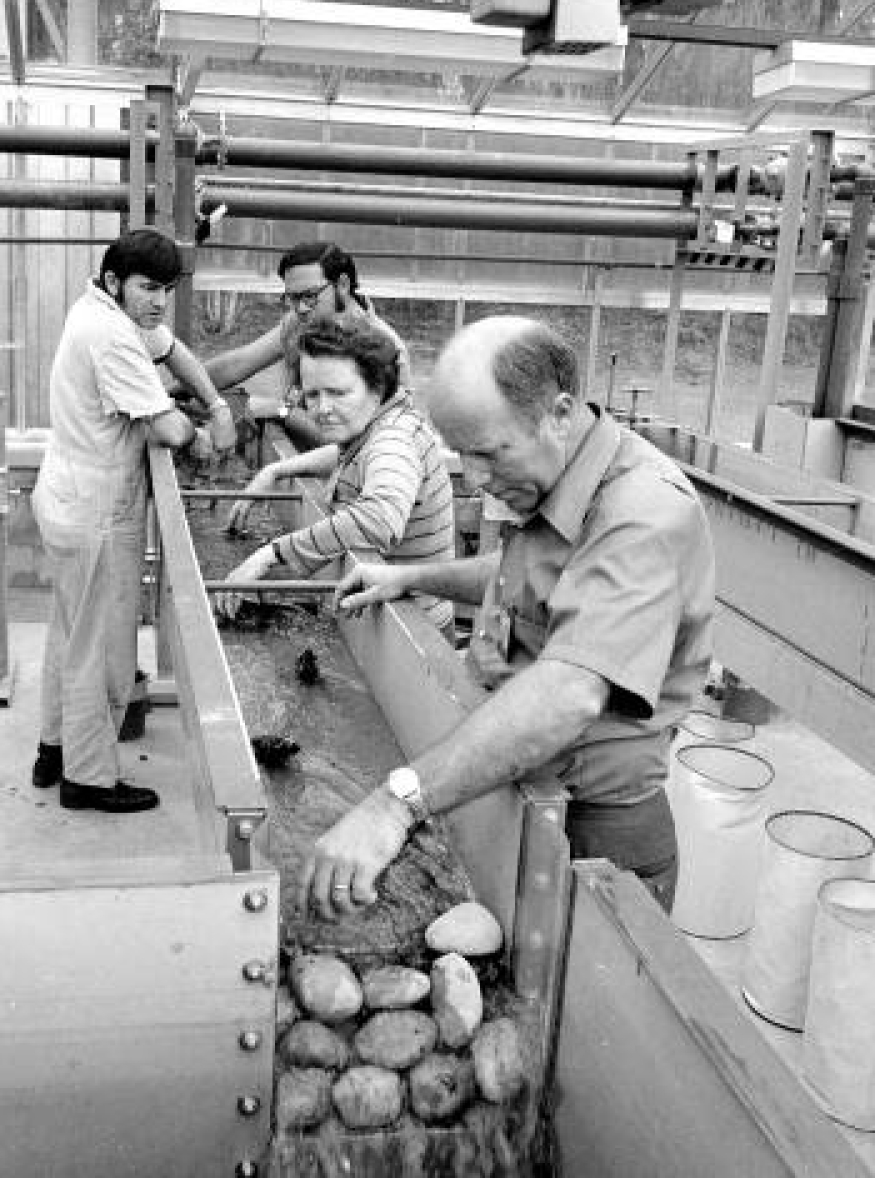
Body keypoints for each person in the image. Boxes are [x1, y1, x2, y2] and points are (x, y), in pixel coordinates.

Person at [309, 316, 714, 915]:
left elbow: (570, 692)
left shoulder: (643, 515)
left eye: (489, 454)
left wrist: (395, 804)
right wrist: (410, 576)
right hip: (520, 786)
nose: (476, 480)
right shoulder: (566, 476)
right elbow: (525, 575)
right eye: (461, 456)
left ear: (558, 412)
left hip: (591, 831)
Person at [31, 228, 230, 814]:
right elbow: (169, 431)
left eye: (167, 289)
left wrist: (215, 401)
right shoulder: (110, 335)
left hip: (71, 495)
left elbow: (173, 351)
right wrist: (205, 434)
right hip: (95, 511)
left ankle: (54, 748)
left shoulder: (103, 307)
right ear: (116, 281)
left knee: (70, 634)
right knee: (102, 647)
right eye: (149, 288)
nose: (158, 301)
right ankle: (88, 778)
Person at [215, 320, 454, 629]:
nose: (322, 409)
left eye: (338, 393)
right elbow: (350, 454)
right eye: (312, 395)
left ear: (377, 385)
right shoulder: (385, 421)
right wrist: (277, 469)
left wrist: (271, 554)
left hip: (414, 634)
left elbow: (380, 517)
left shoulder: (393, 441)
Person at [202, 242, 410, 451]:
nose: (300, 308)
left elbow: (355, 443)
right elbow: (238, 364)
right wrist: (183, 386)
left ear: (343, 285)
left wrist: (281, 410)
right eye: (293, 298)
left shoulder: (385, 349)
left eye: (310, 296)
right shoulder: (304, 321)